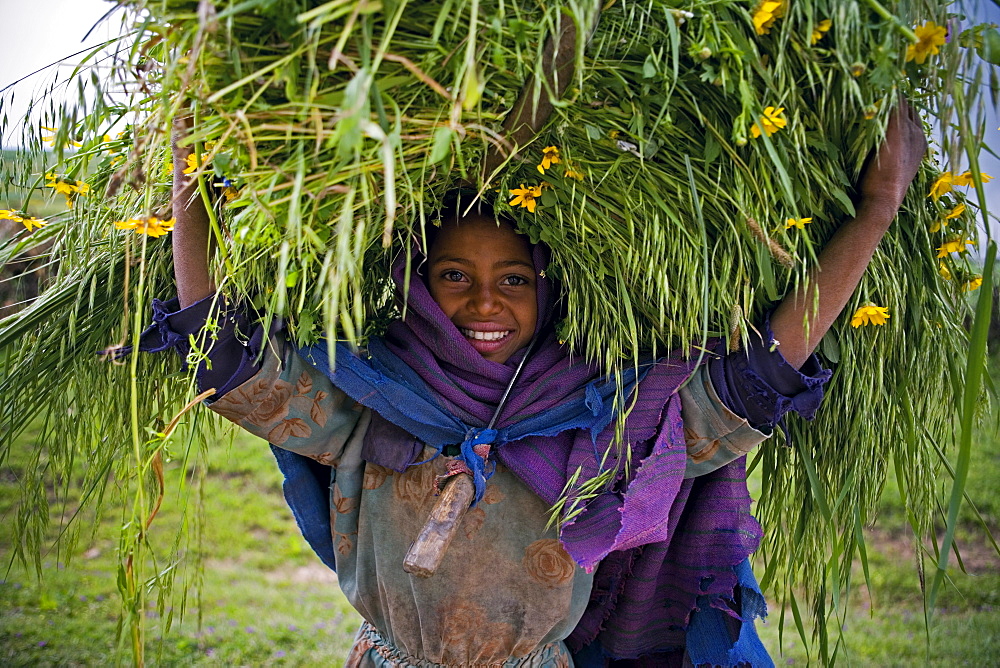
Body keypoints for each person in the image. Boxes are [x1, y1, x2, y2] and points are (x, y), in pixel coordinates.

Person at [137, 101, 926, 666]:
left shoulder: (614, 428)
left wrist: (876, 211)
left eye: (513, 278)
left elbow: (758, 376)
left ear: (549, 292)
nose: (484, 302)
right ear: (416, 285)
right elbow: (223, 352)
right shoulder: (369, 406)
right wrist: (191, 181)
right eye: (454, 275)